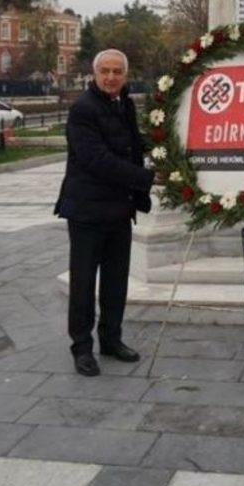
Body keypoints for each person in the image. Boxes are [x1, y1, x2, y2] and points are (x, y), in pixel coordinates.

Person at [54, 49, 155, 376]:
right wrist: (147, 178)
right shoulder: (83, 110)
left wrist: (160, 146)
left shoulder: (123, 103)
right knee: (83, 283)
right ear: (94, 74)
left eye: (117, 72)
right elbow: (97, 160)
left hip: (118, 209)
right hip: (86, 211)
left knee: (115, 280)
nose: (111, 77)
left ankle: (111, 339)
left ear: (125, 75)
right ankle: (82, 348)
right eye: (105, 71)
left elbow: (131, 144)